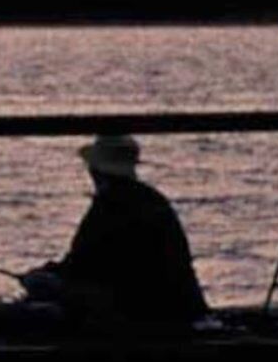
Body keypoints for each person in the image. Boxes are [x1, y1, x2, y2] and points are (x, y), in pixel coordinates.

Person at [21, 131, 208, 327]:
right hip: (178, 310)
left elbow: (81, 266)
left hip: (139, 317)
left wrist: (43, 278)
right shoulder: (152, 200)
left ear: (95, 171)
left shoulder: (109, 207)